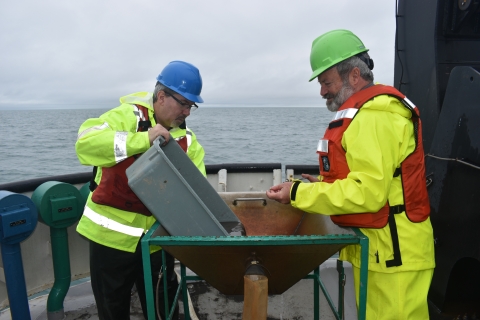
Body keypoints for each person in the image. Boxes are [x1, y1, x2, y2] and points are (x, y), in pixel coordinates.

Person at [266, 30, 435, 319]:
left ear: (354, 75)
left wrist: (297, 193)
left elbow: (367, 193)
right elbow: (376, 180)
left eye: (326, 82)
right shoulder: (369, 113)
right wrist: (322, 185)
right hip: (384, 251)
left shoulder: (374, 117)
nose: (322, 91)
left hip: (394, 257)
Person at [75, 60, 206, 320]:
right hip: (109, 242)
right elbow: (85, 145)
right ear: (161, 96)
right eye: (184, 103)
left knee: (164, 311)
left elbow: (198, 190)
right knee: (112, 312)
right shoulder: (124, 117)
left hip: (156, 245)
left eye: (192, 106)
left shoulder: (187, 141)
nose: (188, 112)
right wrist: (142, 140)